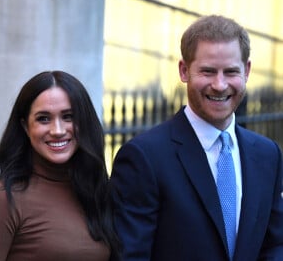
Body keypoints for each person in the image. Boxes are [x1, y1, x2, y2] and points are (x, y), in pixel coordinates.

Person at [110, 15, 283, 260]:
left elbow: (276, 245)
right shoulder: (144, 158)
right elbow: (131, 255)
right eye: (208, 72)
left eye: (231, 71)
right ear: (184, 70)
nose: (220, 84)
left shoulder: (267, 155)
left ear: (247, 71)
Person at [0, 71, 119, 261]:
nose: (58, 130)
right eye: (43, 119)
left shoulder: (96, 191)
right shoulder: (4, 199)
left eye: (68, 116)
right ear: (25, 126)